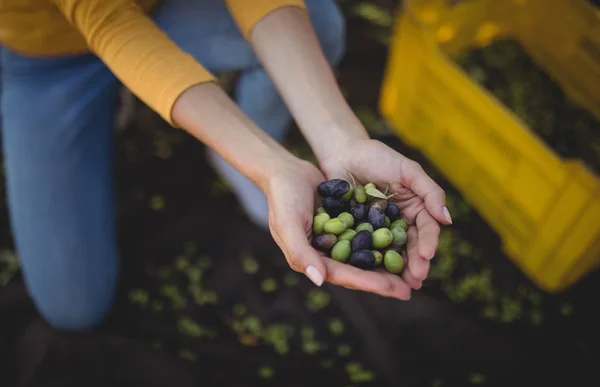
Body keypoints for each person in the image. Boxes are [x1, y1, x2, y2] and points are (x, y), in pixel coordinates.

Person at [0, 0, 452, 332]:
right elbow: (106, 20)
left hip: (164, 12)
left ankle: (234, 150)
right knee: (74, 306)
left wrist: (335, 140)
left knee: (318, 22)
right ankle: (114, 100)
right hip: (45, 61)